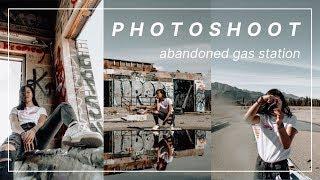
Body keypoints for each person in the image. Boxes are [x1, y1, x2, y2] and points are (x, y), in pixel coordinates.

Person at [0, 85, 103, 179]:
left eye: (28, 92)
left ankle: (74, 130)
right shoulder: (16, 110)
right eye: (22, 92)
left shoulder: (40, 109)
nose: (25, 94)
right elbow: (14, 124)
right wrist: (23, 134)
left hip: (37, 133)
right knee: (6, 147)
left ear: (32, 94)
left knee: (64, 106)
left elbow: (41, 123)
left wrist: (32, 131)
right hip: (19, 133)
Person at [244, 89, 298, 180]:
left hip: (279, 166)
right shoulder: (264, 117)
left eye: (276, 101)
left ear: (282, 102)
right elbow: (247, 120)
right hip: (261, 164)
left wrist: (279, 123)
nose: (273, 103)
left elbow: (286, 145)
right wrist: (260, 100)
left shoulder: (290, 119)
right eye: (271, 101)